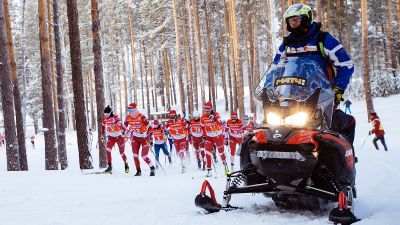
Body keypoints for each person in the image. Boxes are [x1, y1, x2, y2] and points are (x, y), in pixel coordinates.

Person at [274, 3, 355, 144]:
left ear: (306, 19)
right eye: (290, 20)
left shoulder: (323, 39)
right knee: (269, 128)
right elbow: (276, 68)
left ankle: (343, 162)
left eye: (296, 19)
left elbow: (346, 65)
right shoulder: (287, 44)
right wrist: (271, 89)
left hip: (321, 97)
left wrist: (338, 89)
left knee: (344, 123)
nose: (293, 23)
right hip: (291, 98)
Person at [124, 103, 155, 176]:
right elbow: (125, 126)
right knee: (135, 155)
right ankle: (138, 171)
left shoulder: (141, 116)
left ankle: (152, 167)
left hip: (144, 137)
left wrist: (147, 134)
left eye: (131, 109)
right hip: (135, 137)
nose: (129, 111)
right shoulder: (128, 117)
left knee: (144, 156)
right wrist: (123, 132)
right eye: (128, 109)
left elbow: (150, 127)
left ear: (135, 109)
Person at [200, 101, 228, 177]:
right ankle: (209, 170)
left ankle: (226, 168)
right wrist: (204, 136)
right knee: (207, 153)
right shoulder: (203, 117)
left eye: (208, 110)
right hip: (209, 137)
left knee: (221, 152)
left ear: (211, 109)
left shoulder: (216, 114)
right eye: (205, 110)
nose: (207, 112)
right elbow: (202, 127)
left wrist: (214, 119)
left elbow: (220, 123)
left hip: (217, 136)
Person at [101, 105, 129, 173]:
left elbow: (121, 125)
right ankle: (109, 166)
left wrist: (122, 131)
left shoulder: (115, 117)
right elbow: (102, 125)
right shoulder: (105, 118)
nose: (106, 115)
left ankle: (126, 164)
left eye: (107, 114)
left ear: (110, 113)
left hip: (119, 137)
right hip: (111, 136)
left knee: (122, 153)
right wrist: (102, 134)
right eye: (105, 114)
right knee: (108, 150)